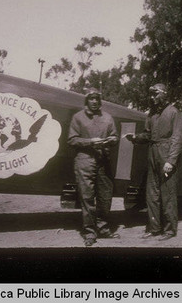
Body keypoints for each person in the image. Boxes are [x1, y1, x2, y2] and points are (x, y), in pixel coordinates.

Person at [125, 83, 182, 241]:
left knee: (168, 194)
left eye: (155, 94)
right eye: (151, 95)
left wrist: (171, 161)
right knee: (152, 194)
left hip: (166, 157)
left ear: (164, 94)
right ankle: (154, 228)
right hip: (152, 155)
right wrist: (136, 138)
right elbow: (148, 134)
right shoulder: (151, 114)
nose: (152, 98)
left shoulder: (173, 112)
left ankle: (170, 230)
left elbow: (178, 138)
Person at [67, 88, 120, 246]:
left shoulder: (108, 118)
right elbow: (71, 140)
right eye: (91, 98)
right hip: (85, 160)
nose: (95, 101)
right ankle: (90, 232)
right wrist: (90, 142)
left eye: (97, 98)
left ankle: (102, 227)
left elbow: (115, 136)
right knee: (87, 197)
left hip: (103, 160)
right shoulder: (78, 118)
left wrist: (111, 140)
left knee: (105, 196)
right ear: (86, 101)